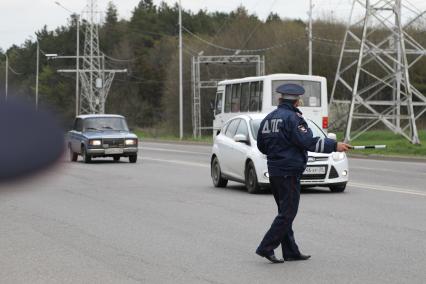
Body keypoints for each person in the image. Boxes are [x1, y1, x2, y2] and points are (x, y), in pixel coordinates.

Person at [255, 83, 351, 263]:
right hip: (289, 171)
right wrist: (335, 146)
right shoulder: (293, 119)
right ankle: (266, 247)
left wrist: (278, 152)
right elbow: (308, 142)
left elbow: (261, 145)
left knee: (284, 212)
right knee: (288, 213)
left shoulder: (269, 118)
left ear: (280, 99)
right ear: (297, 101)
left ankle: (290, 251)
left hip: (275, 171)